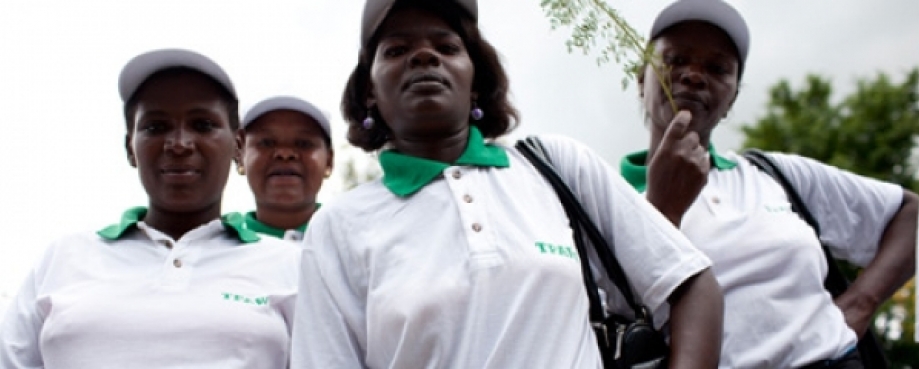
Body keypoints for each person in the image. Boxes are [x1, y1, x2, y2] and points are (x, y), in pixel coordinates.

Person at [290, 0, 724, 367]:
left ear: (475, 81)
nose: (424, 58)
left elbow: (691, 283)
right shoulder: (339, 227)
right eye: (397, 49)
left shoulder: (556, 166)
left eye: (447, 46)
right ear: (369, 91)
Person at [618, 0, 918, 367]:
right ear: (640, 79)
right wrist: (663, 209)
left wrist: (859, 305)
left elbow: (909, 213)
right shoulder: (607, 203)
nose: (694, 75)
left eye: (717, 68)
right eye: (676, 59)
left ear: (732, 99)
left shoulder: (775, 176)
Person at [0, 49, 301, 368]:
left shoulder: (289, 264)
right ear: (130, 148)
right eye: (156, 127)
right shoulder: (63, 258)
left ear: (238, 146)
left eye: (202, 124)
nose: (180, 143)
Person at [237, 96, 334, 240]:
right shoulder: (214, 249)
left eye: (303, 143)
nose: (285, 154)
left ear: (329, 161)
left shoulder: (354, 242)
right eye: (267, 142)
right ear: (240, 157)